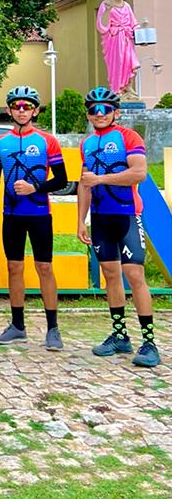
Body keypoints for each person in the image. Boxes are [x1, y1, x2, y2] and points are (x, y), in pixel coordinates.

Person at [77, 86, 160, 368]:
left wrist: (101, 180)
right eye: (93, 110)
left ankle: (149, 342)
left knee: (134, 275)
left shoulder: (129, 137)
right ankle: (120, 335)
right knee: (110, 275)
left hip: (126, 215)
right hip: (100, 218)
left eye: (105, 109)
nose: (98, 114)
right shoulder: (86, 144)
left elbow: (139, 173)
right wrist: (81, 220)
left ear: (116, 112)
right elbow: (84, 185)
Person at [0, 86, 68, 351]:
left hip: (40, 214)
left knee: (44, 268)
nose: (22, 111)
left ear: (35, 110)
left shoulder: (47, 141)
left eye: (27, 106)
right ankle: (18, 326)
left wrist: (36, 188)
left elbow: (62, 180)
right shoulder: (0, 142)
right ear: (9, 110)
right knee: (14, 268)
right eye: (17, 106)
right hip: (11, 216)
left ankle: (53, 328)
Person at [96, 0, 140, 98]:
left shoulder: (126, 6)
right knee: (118, 64)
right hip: (114, 40)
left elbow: (134, 23)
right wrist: (108, 10)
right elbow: (101, 26)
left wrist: (140, 31)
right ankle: (117, 90)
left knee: (132, 63)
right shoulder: (105, 5)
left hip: (127, 39)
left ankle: (128, 87)